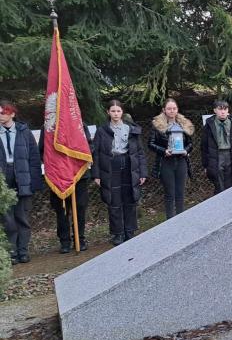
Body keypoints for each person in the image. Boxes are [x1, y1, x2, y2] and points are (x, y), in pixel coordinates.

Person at [92, 100, 147, 245]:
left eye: (118, 111)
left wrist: (142, 172)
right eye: (113, 111)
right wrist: (96, 174)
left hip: (129, 165)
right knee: (114, 201)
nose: (116, 114)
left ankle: (130, 230)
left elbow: (139, 152)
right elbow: (96, 154)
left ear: (122, 112)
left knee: (130, 199)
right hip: (111, 166)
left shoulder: (131, 129)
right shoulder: (102, 131)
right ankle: (118, 233)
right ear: (108, 112)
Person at [0, 100, 43, 263]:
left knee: (22, 217)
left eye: (3, 112)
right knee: (7, 219)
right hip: (4, 178)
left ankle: (23, 251)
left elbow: (34, 157)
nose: (0, 115)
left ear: (12, 114)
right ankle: (12, 252)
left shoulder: (24, 131)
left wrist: (35, 182)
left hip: (22, 177)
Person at [40, 124, 93, 253]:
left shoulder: (78, 123)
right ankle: (64, 241)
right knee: (62, 209)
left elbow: (89, 146)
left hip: (79, 174)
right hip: (58, 175)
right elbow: (42, 150)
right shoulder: (47, 127)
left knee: (79, 208)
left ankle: (80, 239)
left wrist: (75, 162)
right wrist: (56, 164)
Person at [148, 98, 194, 219]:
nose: (172, 111)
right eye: (169, 108)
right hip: (166, 162)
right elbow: (150, 144)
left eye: (174, 108)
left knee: (180, 193)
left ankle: (181, 219)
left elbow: (190, 144)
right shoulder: (157, 125)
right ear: (164, 110)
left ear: (177, 109)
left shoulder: (184, 124)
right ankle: (170, 222)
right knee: (170, 194)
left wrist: (186, 150)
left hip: (181, 161)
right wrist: (164, 151)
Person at [201, 99, 232, 194]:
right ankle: (219, 200)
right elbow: (204, 146)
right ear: (215, 110)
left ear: (228, 110)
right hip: (216, 155)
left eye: (225, 109)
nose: (223, 112)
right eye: (220, 109)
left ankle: (228, 200)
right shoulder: (209, 125)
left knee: (229, 184)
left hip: (231, 154)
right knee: (219, 185)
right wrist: (205, 164)